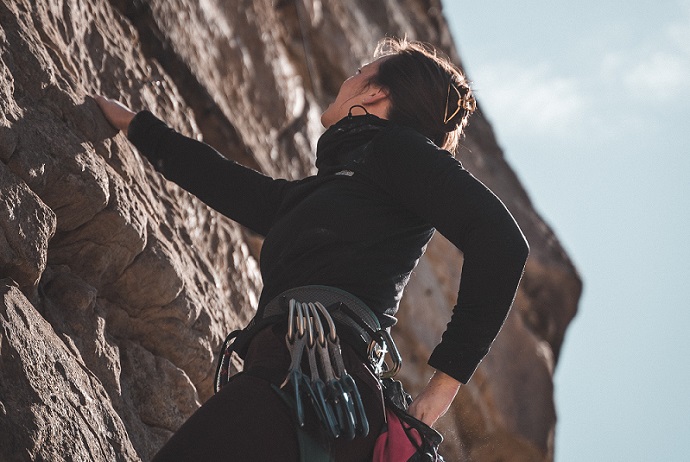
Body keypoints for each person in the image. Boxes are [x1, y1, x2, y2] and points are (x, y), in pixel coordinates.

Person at [96, 37, 528, 461]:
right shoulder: (329, 188)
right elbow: (226, 183)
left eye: (359, 72)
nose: (348, 79)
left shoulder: (394, 148)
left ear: (375, 93)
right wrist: (137, 126)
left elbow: (503, 243)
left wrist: (440, 391)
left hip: (315, 387)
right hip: (307, 393)